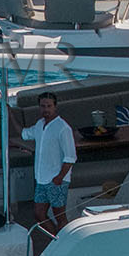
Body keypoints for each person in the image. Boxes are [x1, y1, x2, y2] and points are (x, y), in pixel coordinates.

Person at [17, 90, 77, 234]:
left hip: (56, 179)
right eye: (43, 106)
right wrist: (9, 115)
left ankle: (63, 243)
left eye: (49, 106)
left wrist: (59, 178)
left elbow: (70, 157)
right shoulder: (39, 124)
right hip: (41, 179)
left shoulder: (63, 128)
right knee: (39, 214)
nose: (46, 109)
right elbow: (24, 133)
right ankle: (57, 241)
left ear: (55, 107)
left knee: (60, 216)